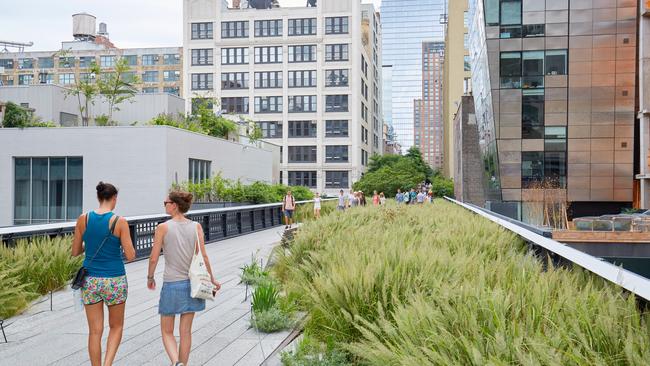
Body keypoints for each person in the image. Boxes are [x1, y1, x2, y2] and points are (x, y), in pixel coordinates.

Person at [147, 191, 221, 366]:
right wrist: (212, 279)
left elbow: (153, 257)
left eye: (166, 202)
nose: (164, 204)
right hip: (192, 285)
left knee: (167, 331)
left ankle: (175, 362)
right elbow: (203, 256)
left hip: (172, 284)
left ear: (174, 205)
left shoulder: (163, 227)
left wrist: (150, 277)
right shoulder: (196, 227)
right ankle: (183, 364)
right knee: (186, 332)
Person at [72, 182, 136, 366]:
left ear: (99, 197)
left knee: (94, 331)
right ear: (114, 198)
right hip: (114, 280)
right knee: (116, 326)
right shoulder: (119, 221)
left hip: (90, 280)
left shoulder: (83, 219)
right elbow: (131, 255)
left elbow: (75, 251)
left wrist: (90, 246)